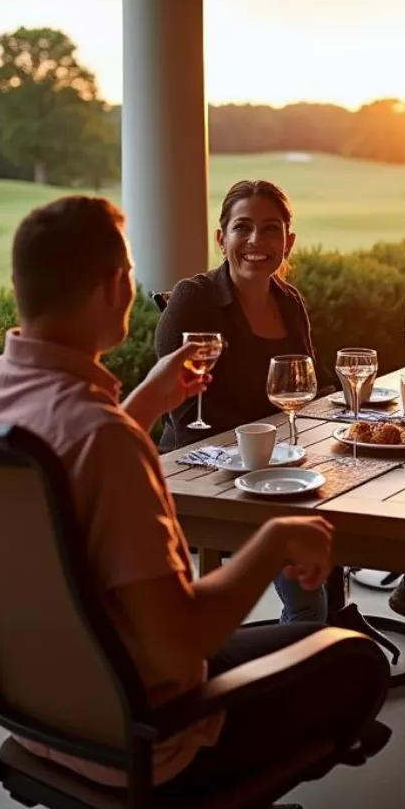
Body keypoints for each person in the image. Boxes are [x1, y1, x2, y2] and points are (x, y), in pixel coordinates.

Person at [0, 197, 388, 809]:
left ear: (22, 284)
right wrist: (270, 545)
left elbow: (72, 469)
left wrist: (150, 399)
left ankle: (236, 799)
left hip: (33, 713)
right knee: (355, 660)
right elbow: (180, 642)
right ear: (114, 286)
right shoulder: (105, 440)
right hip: (143, 741)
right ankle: (225, 791)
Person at [156, 180, 325, 624]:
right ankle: (306, 648)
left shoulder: (289, 302)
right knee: (300, 543)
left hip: (277, 462)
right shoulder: (195, 300)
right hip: (203, 469)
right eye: (242, 227)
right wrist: (265, 452)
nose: (256, 241)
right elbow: (184, 408)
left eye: (270, 229)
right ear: (222, 238)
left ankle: (328, 629)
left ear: (288, 241)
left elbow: (303, 389)